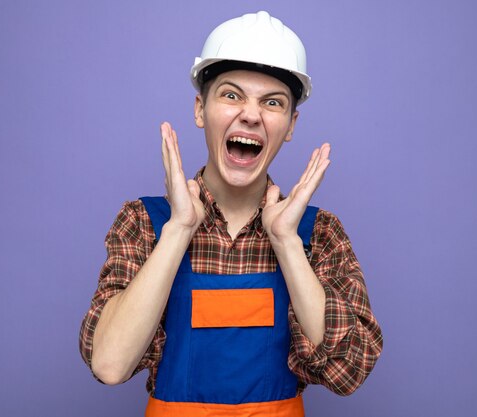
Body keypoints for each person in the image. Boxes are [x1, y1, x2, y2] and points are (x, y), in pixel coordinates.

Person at [79, 10, 383, 417]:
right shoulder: (144, 224)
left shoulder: (318, 234)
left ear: (290, 124)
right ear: (200, 109)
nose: (251, 115)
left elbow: (350, 371)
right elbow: (110, 364)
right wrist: (178, 231)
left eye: (272, 103)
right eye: (231, 95)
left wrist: (288, 244)